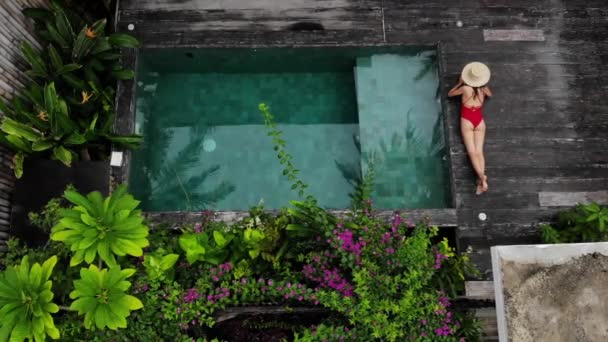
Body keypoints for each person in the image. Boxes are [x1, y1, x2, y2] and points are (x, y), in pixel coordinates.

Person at [448, 62, 493, 195]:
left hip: (467, 121)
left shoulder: (465, 89)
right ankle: (481, 180)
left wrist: (459, 83)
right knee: (479, 152)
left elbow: (450, 94)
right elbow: (490, 94)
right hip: (479, 121)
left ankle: (482, 178)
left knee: (472, 153)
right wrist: (483, 86)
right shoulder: (483, 90)